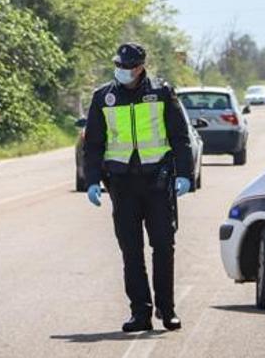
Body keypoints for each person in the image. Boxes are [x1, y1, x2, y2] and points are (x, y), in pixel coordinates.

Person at [82, 42, 194, 333]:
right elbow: (93, 144)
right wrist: (92, 181)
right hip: (122, 184)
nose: (122, 71)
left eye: (127, 67)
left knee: (163, 247)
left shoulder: (161, 93)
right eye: (118, 66)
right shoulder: (102, 97)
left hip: (157, 182)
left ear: (141, 67)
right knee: (131, 251)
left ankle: (167, 311)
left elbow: (180, 136)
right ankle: (140, 313)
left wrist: (184, 175)